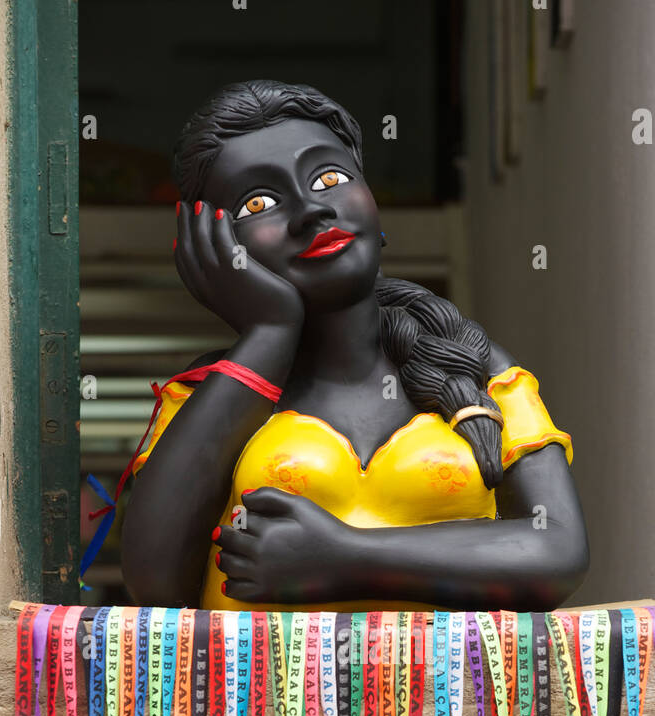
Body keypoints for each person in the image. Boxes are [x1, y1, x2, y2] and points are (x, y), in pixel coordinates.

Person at [121, 79, 589, 612]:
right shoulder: (205, 396)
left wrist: (343, 557)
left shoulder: (478, 366)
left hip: (450, 694)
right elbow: (155, 583)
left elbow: (557, 551)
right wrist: (269, 334)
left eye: (330, 177)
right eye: (259, 202)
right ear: (214, 247)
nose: (310, 211)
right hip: (264, 695)